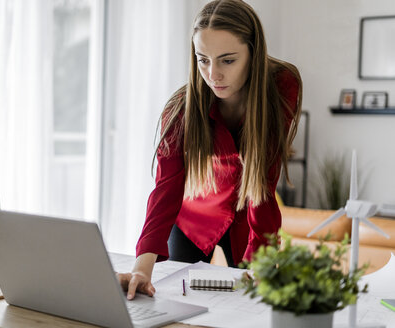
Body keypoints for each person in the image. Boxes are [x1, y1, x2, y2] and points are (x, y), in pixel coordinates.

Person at [117, 0, 302, 300]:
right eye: (203, 59)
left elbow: (262, 181)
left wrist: (261, 265)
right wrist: (141, 267)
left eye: (227, 60)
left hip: (246, 218)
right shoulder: (180, 109)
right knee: (172, 301)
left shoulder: (281, 86)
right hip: (192, 220)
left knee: (250, 304)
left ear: (253, 53)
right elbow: (166, 189)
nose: (213, 74)